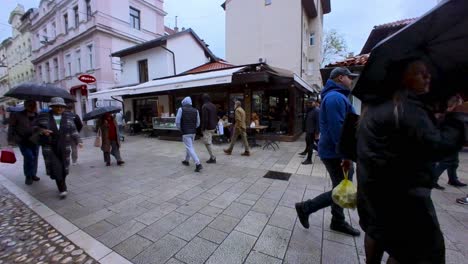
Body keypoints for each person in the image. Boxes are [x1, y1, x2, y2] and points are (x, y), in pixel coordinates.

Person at [356, 58, 465, 263]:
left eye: (427, 72)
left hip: (373, 188)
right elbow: (437, 146)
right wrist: (456, 117)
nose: (427, 77)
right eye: (420, 73)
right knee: (414, 251)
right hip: (401, 197)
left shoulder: (374, 108)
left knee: (378, 232)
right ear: (404, 78)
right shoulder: (405, 108)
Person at [295, 67, 360, 237]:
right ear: (340, 78)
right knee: (342, 190)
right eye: (349, 77)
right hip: (335, 152)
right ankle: (306, 207)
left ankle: (337, 220)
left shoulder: (336, 96)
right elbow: (337, 129)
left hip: (335, 151)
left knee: (340, 187)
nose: (351, 80)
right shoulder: (334, 98)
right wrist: (346, 155)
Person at [33, 97, 83, 198]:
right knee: (56, 167)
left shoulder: (68, 117)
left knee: (64, 167)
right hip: (49, 146)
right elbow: (35, 127)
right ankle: (62, 188)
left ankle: (62, 183)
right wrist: (42, 131)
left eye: (62, 106)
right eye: (57, 106)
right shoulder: (44, 116)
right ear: (52, 107)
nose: (60, 108)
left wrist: (79, 141)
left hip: (64, 146)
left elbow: (73, 130)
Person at [432, 96, 467, 189]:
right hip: (450, 139)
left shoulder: (452, 111)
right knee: (447, 161)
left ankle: (452, 179)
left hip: (454, 138)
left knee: (454, 161)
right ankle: (432, 180)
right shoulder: (450, 112)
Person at [7, 100, 40, 185]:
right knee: (29, 157)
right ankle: (28, 176)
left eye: (34, 105)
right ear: (26, 105)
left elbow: (41, 126)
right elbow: (11, 127)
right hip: (23, 141)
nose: (32, 107)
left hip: (35, 140)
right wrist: (11, 139)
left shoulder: (37, 115)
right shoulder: (17, 115)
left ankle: (33, 174)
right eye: (30, 105)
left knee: (34, 158)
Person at [176, 96, 202, 172]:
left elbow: (177, 121)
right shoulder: (196, 110)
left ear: (184, 103)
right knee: (189, 146)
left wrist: (179, 128)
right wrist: (194, 128)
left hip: (185, 132)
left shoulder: (181, 109)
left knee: (189, 147)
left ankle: (198, 163)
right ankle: (186, 161)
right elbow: (198, 123)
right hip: (193, 132)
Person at [300, 98, 320, 165]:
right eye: (308, 103)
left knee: (310, 145)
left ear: (314, 103)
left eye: (311, 103)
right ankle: (320, 151)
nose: (309, 104)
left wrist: (317, 132)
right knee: (309, 144)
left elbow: (318, 122)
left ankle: (309, 159)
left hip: (312, 131)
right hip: (308, 130)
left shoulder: (317, 110)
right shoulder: (310, 110)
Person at [201, 94, 218, 164]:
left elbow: (205, 119)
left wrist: (203, 128)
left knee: (207, 143)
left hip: (208, 127)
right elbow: (215, 116)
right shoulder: (213, 106)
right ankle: (212, 156)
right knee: (209, 141)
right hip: (213, 126)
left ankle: (213, 157)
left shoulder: (204, 106)